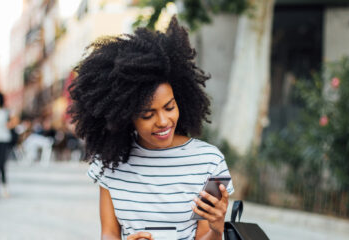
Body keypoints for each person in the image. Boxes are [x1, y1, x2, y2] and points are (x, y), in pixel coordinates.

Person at [69, 17, 234, 240]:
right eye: (147, 114)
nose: (163, 121)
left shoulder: (209, 162)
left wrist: (216, 228)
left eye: (169, 107)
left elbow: (203, 237)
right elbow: (108, 233)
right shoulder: (111, 162)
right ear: (126, 116)